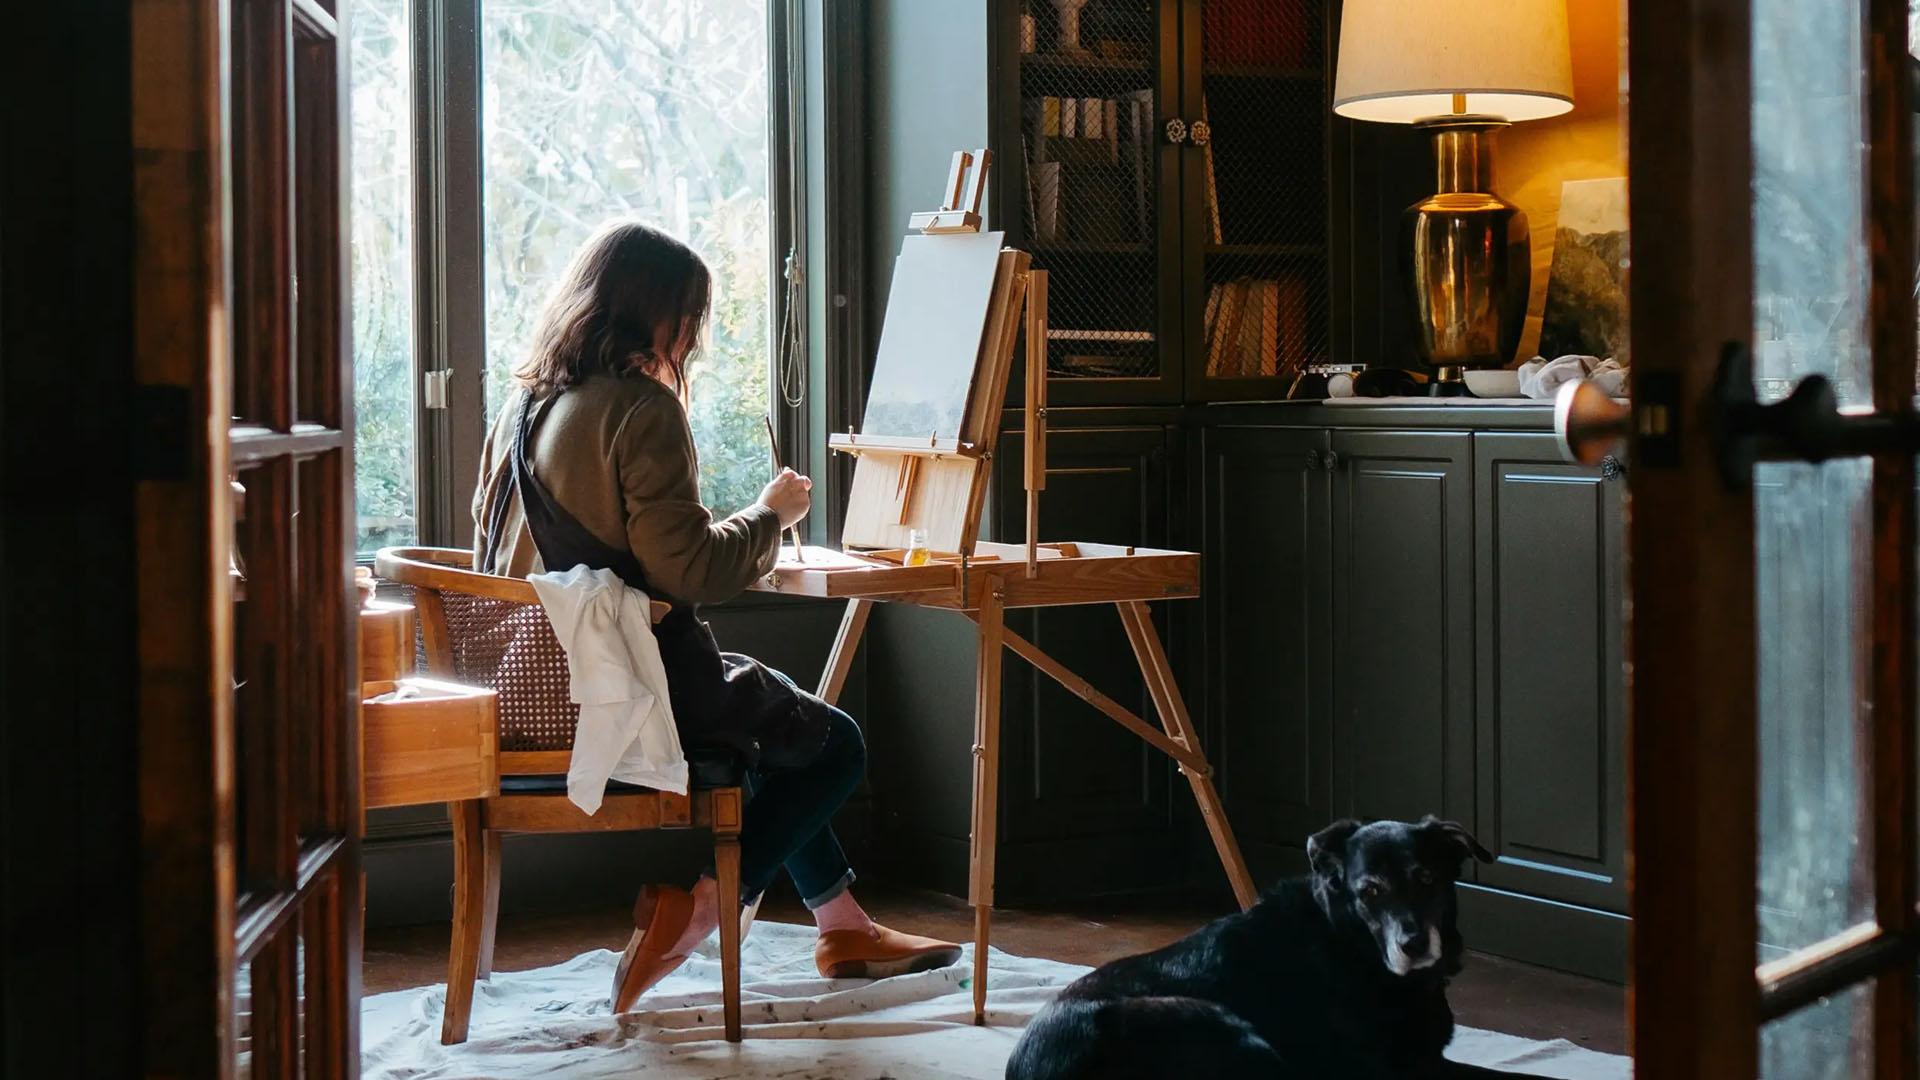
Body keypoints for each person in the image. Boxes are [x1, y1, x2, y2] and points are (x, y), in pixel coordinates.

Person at [472, 220, 961, 1013]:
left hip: (529, 692)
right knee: (835, 745)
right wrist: (772, 514)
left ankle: (841, 923)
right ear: (659, 314)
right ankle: (701, 912)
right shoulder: (639, 409)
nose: (692, 339)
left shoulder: (523, 409)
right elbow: (691, 572)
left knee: (774, 731)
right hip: (622, 693)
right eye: (691, 319)